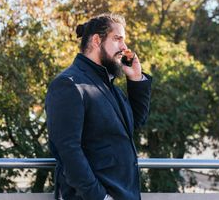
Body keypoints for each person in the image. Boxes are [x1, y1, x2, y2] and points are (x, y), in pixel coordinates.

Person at [45, 13, 152, 200]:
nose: (124, 47)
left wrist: (135, 78)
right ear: (96, 40)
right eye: (117, 39)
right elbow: (68, 151)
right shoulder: (69, 84)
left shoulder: (108, 85)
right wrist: (100, 197)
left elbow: (134, 124)